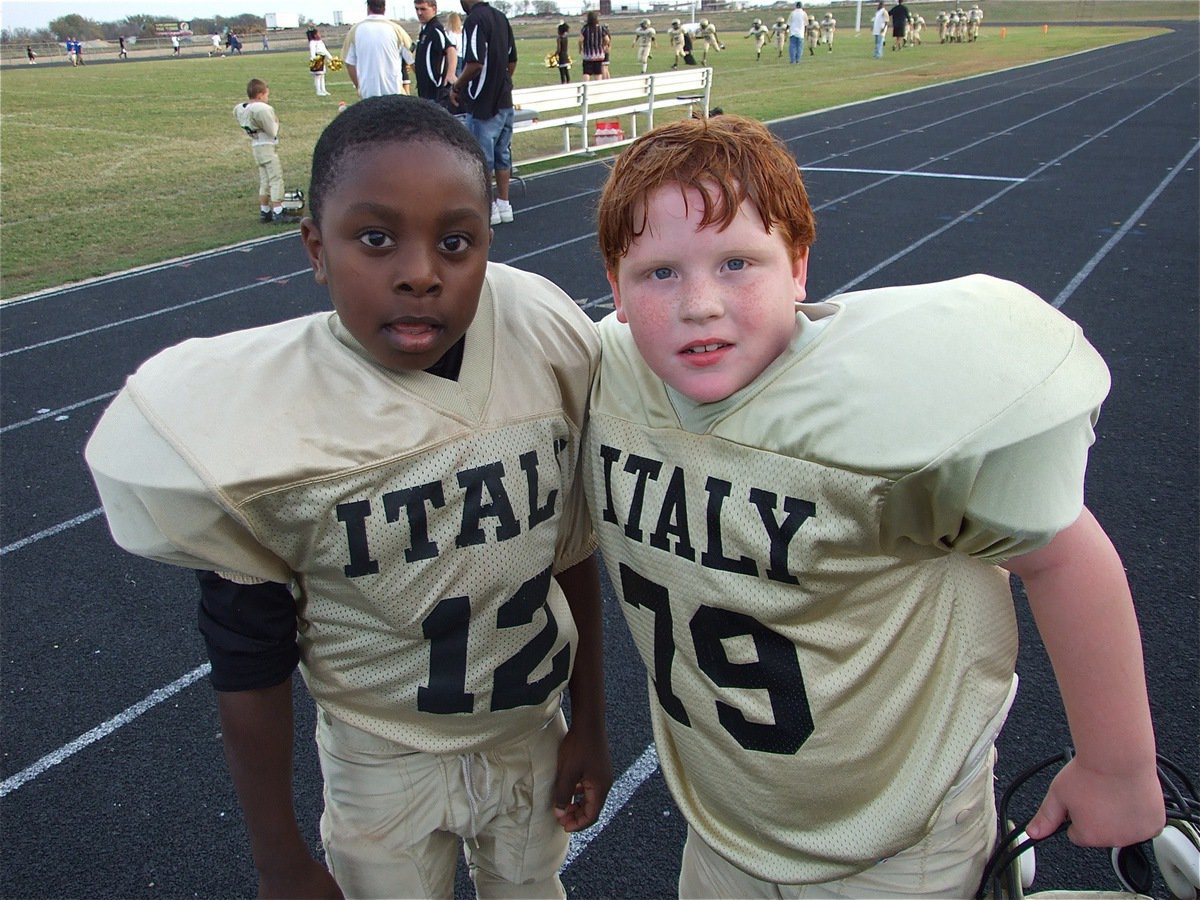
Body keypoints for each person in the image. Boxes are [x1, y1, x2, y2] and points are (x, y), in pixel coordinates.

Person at [586, 114, 1166, 899]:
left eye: (736, 262)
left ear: (797, 267)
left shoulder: (894, 405)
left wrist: (1115, 764)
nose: (699, 304)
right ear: (614, 289)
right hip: (724, 828)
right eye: (660, 274)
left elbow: (1065, 555)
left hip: (898, 847)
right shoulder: (607, 381)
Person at [86, 94, 612, 900]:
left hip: (528, 731)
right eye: (375, 238)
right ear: (315, 247)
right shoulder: (261, 416)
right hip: (381, 756)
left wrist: (591, 720)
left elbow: (571, 546)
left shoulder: (538, 331)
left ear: (488, 245)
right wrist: (279, 861)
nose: (419, 271)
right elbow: (247, 660)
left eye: (456, 242)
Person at [452, 0, 517, 226]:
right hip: (505, 100)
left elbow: (474, 63)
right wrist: (503, 83)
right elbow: (512, 60)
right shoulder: (501, 17)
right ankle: (504, 203)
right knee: (502, 154)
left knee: (481, 159)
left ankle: (487, 208)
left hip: (483, 103)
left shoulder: (474, 20)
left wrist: (457, 85)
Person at [231, 78, 301, 225]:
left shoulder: (241, 108)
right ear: (260, 95)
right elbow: (272, 131)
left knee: (264, 179)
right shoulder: (262, 109)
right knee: (275, 178)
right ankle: (278, 211)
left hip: (256, 145)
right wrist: (276, 120)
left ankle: (265, 210)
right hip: (266, 145)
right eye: (266, 95)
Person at [342, 0, 414, 98]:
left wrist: (360, 87)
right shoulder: (397, 30)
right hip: (395, 95)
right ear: (384, 7)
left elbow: (349, 63)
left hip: (368, 96)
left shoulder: (354, 31)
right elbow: (412, 59)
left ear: (368, 7)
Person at [413, 0, 457, 107]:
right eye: (417, 9)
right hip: (425, 92)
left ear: (434, 9)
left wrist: (451, 73)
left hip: (435, 92)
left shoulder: (435, 29)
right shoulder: (425, 30)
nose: (419, 13)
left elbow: (450, 48)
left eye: (423, 9)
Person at [578, 11, 606, 82]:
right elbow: (607, 39)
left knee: (586, 73)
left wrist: (580, 48)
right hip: (599, 54)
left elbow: (580, 40)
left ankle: (586, 87)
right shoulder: (601, 28)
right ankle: (598, 88)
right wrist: (604, 45)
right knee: (598, 73)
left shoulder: (585, 28)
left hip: (588, 55)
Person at [308, 27, 334, 96]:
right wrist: (314, 59)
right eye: (318, 33)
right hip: (317, 58)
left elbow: (324, 50)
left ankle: (323, 90)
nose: (319, 34)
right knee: (318, 75)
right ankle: (318, 91)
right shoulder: (312, 42)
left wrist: (330, 57)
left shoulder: (320, 41)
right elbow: (312, 51)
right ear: (314, 35)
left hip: (322, 58)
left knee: (322, 75)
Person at [447, 11, 466, 75]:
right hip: (462, 55)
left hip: (456, 57)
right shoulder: (461, 32)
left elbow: (453, 48)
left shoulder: (451, 34)